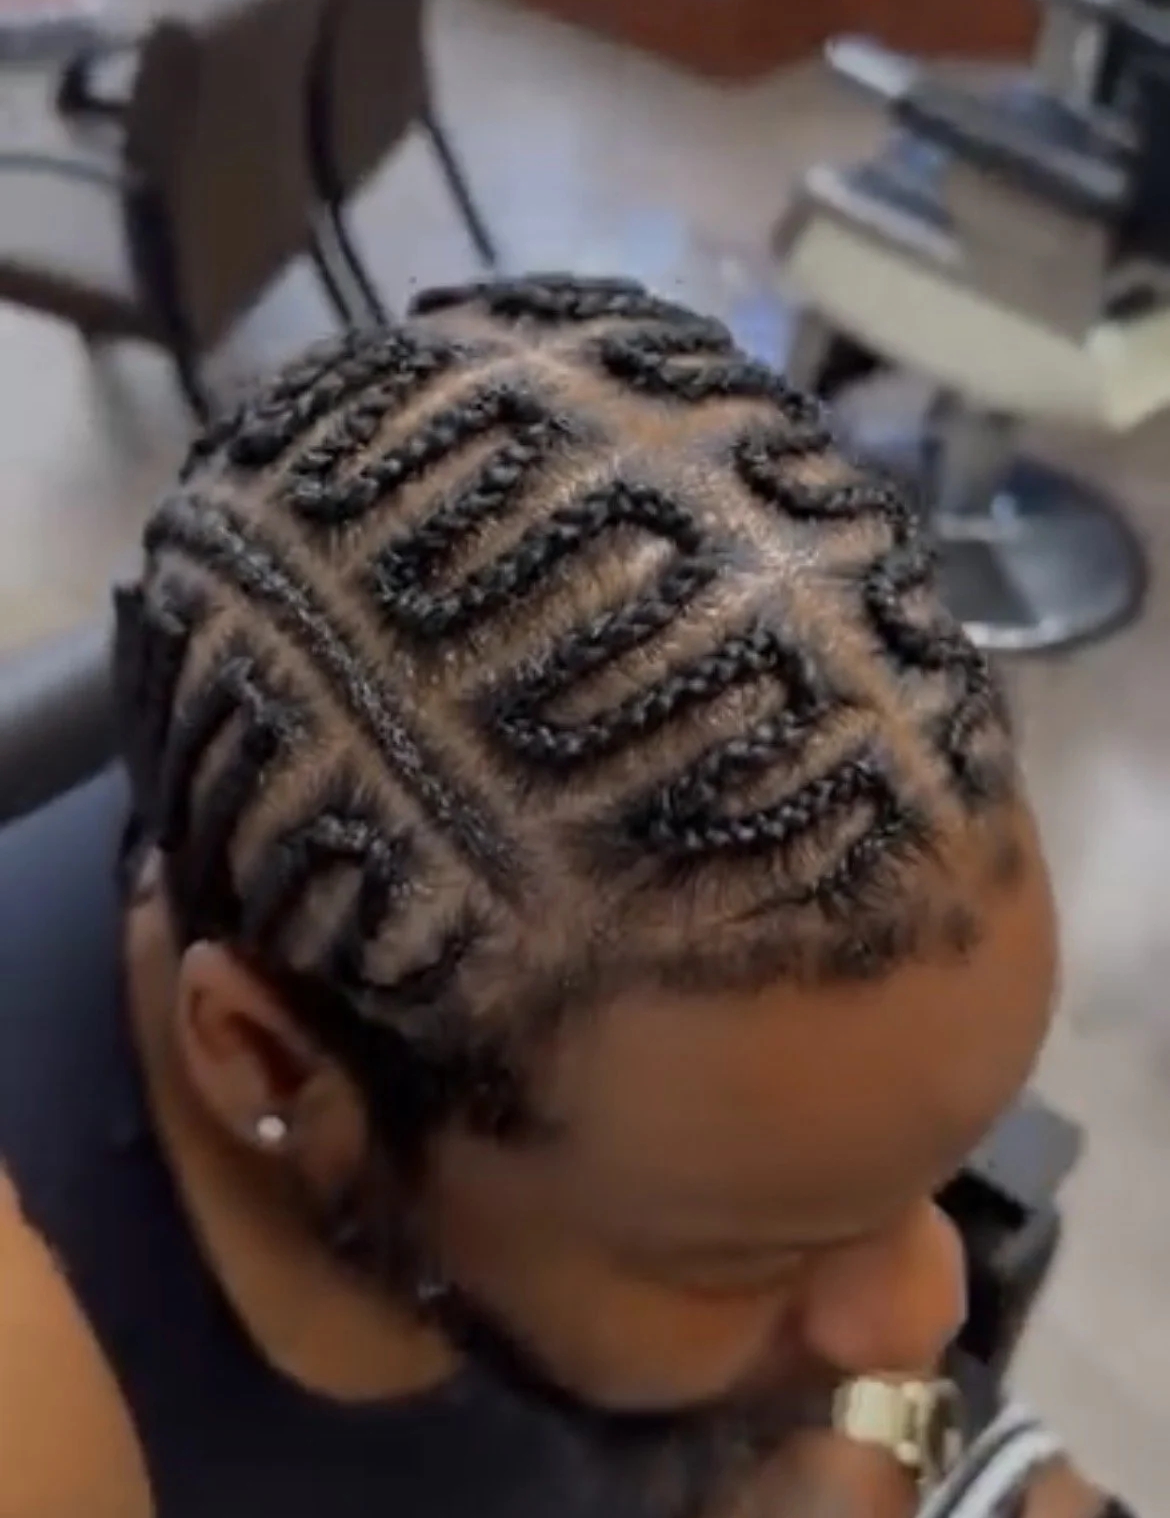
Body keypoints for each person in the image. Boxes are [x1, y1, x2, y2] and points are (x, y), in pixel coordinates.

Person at [0, 274, 1125, 1518]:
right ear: (271, 1069)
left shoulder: (559, 1053)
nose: (927, 1306)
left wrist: (894, 1440)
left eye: (931, 1168)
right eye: (752, 1258)